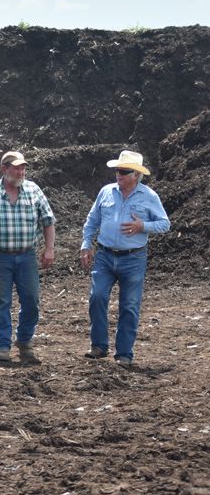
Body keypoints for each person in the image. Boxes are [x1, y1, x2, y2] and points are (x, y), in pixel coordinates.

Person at [80, 150, 170, 368]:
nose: (118, 174)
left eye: (124, 171)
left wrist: (143, 226)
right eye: (117, 170)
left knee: (129, 305)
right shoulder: (106, 192)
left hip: (133, 258)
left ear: (136, 175)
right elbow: (92, 220)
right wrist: (86, 245)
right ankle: (99, 346)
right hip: (104, 255)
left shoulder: (149, 196)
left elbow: (165, 224)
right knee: (97, 297)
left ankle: (124, 353)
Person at [0, 151, 56, 364]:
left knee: (32, 300)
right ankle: (2, 346)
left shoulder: (33, 190)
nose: (20, 171)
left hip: (26, 256)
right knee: (2, 301)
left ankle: (24, 341)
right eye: (16, 168)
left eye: (23, 168)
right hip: (0, 257)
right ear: (4, 169)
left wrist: (50, 248)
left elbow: (48, 220)